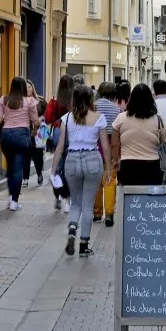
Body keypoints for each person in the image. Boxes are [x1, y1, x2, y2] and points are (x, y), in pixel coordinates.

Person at [54, 84, 110, 256]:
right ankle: (84, 245)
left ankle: (72, 229)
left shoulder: (67, 118)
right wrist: (108, 167)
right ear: (90, 99)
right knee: (87, 205)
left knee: (75, 202)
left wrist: (54, 169)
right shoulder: (99, 117)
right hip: (92, 159)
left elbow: (60, 146)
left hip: (72, 160)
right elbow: (105, 145)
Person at [0, 76, 39, 211]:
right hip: (22, 136)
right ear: (24, 87)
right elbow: (35, 121)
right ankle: (14, 201)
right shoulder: (30, 101)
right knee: (18, 168)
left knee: (11, 166)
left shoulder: (3, 100)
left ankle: (10, 197)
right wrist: (34, 130)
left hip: (6, 135)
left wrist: (7, 116)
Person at [113, 83, 166, 189]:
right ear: (151, 99)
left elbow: (115, 144)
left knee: (129, 200)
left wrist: (115, 161)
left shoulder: (120, 118)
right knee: (150, 201)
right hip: (152, 167)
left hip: (128, 167)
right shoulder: (159, 120)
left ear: (131, 99)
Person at [93, 82, 122, 227]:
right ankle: (109, 213)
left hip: (95, 145)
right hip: (110, 146)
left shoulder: (93, 106)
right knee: (110, 179)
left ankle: (97, 213)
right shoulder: (115, 110)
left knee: (97, 181)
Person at [42, 75, 73, 211]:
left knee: (58, 165)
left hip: (58, 131)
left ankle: (58, 196)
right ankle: (68, 200)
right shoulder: (74, 99)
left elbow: (48, 118)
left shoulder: (55, 99)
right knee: (68, 167)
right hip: (72, 132)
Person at [24, 80, 48, 188]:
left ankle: (39, 174)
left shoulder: (41, 101)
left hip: (38, 132)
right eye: (25, 87)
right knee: (25, 155)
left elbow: (47, 114)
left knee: (37, 155)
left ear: (33, 88)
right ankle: (25, 178)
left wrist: (41, 118)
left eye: (29, 87)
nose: (27, 89)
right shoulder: (21, 102)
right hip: (25, 131)